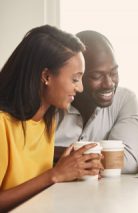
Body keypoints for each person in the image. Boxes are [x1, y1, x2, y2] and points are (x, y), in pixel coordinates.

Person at [0, 25, 103, 211]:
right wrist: (55, 175)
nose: (80, 88)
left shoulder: (47, 119)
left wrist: (73, 171)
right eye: (74, 79)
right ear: (46, 76)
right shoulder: (2, 125)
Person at [54, 30, 138, 173]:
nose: (109, 84)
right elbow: (32, 158)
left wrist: (59, 154)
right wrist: (107, 153)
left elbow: (127, 162)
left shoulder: (125, 100)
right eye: (97, 76)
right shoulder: (55, 100)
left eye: (114, 73)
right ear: (77, 75)